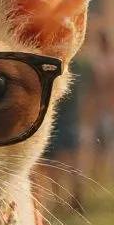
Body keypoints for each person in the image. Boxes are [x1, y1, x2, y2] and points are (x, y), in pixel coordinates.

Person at [33, 56, 89, 215]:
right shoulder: (80, 65)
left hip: (56, 119)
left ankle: (59, 198)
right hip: (73, 118)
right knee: (73, 158)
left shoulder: (50, 64)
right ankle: (76, 192)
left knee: (53, 162)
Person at [87, 29, 114, 186]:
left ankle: (102, 174)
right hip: (107, 104)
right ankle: (105, 174)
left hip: (103, 104)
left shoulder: (98, 61)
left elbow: (97, 86)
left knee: (102, 141)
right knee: (105, 141)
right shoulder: (113, 61)